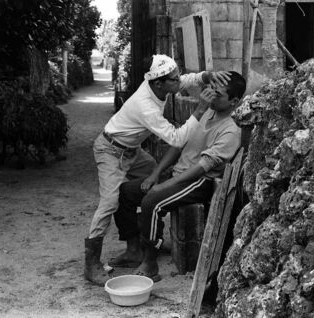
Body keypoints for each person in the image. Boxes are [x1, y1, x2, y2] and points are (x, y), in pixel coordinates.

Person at [85, 53, 231, 286]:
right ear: (159, 83)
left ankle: (136, 247)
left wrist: (207, 75)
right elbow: (176, 138)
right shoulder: (146, 106)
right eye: (174, 79)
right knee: (111, 200)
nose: (179, 81)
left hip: (133, 151)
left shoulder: (163, 85)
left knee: (147, 183)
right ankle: (91, 262)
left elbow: (189, 80)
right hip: (111, 151)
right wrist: (200, 108)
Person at [112, 71, 246, 281]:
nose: (209, 96)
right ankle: (133, 249)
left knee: (152, 203)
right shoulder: (206, 113)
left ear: (234, 101)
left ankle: (150, 262)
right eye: (208, 90)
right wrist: (156, 175)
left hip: (198, 182)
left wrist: (165, 186)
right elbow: (178, 143)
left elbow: (202, 168)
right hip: (179, 175)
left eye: (217, 94)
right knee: (123, 193)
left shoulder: (231, 130)